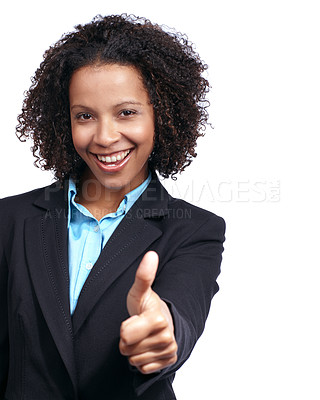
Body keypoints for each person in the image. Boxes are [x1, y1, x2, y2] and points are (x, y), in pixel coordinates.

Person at [0, 14, 225, 400]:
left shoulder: (195, 229)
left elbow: (181, 316)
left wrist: (162, 332)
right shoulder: (9, 220)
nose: (105, 137)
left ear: (162, 116)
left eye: (126, 112)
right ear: (62, 121)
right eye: (84, 116)